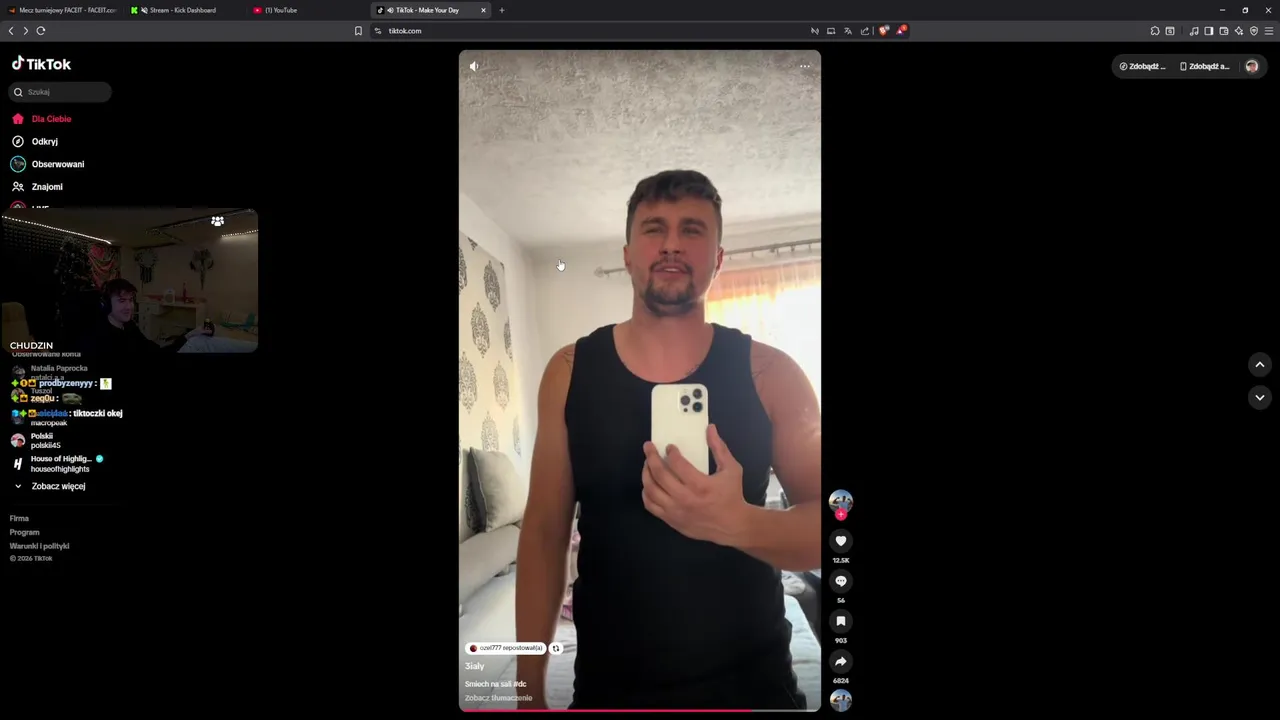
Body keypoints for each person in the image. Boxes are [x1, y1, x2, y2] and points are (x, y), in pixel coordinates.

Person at [516, 170, 822, 710]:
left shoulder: (772, 374)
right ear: (628, 255)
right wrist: (526, 690)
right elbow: (543, 533)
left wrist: (738, 523)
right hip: (609, 694)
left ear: (718, 259)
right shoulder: (569, 372)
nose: (672, 244)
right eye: (654, 228)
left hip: (753, 690)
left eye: (692, 230)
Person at [80, 278, 210, 354]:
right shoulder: (97, 338)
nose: (129, 307)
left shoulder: (129, 326)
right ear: (107, 304)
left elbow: (155, 352)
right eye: (122, 301)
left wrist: (189, 335)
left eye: (131, 300)